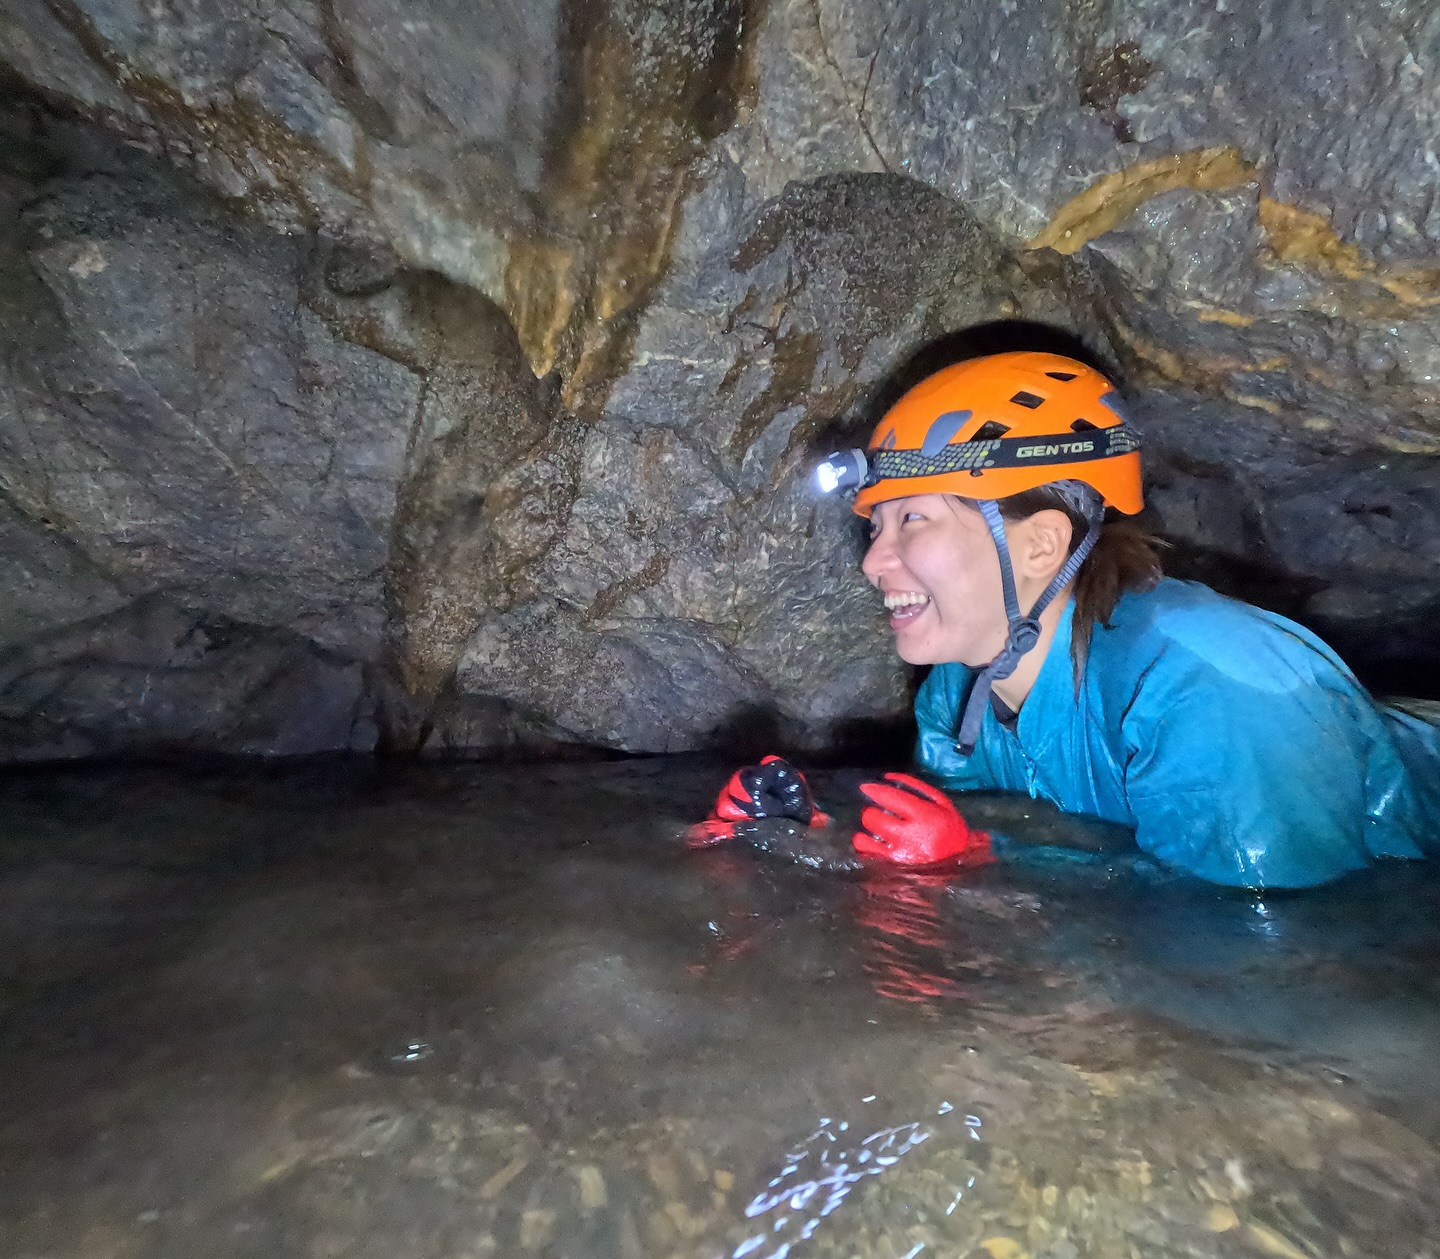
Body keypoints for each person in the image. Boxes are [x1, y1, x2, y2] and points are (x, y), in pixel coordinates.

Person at [702, 351, 1440, 888]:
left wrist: (982, 857)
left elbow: (1277, 949)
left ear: (1040, 542)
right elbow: (963, 858)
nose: (872, 561)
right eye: (876, 528)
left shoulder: (1209, 692)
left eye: (912, 521)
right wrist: (810, 835)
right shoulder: (956, 694)